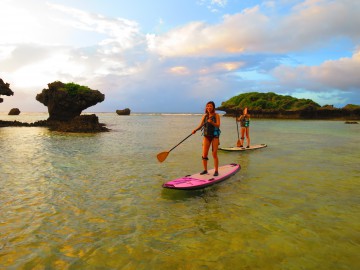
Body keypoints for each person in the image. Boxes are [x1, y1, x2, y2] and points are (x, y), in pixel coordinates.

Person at [192, 101, 221, 176]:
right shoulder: (205, 116)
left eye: (210, 106)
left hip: (215, 136)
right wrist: (195, 130)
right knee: (204, 154)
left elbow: (218, 125)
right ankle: (205, 170)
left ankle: (216, 171)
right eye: (207, 106)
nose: (209, 107)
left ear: (213, 107)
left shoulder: (216, 115)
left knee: (214, 154)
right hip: (206, 136)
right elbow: (201, 125)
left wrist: (211, 122)